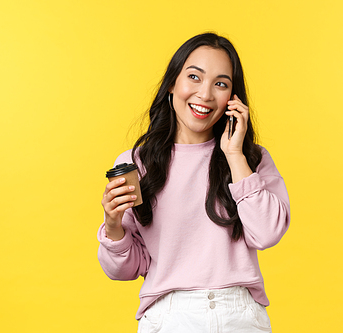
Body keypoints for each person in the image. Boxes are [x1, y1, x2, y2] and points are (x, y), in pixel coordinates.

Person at [97, 32, 290, 333]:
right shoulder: (136, 163)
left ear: (232, 98)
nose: (205, 95)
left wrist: (234, 154)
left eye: (221, 84)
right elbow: (124, 269)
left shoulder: (251, 159)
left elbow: (267, 233)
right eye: (194, 77)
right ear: (173, 83)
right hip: (169, 316)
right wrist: (113, 225)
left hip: (239, 315)